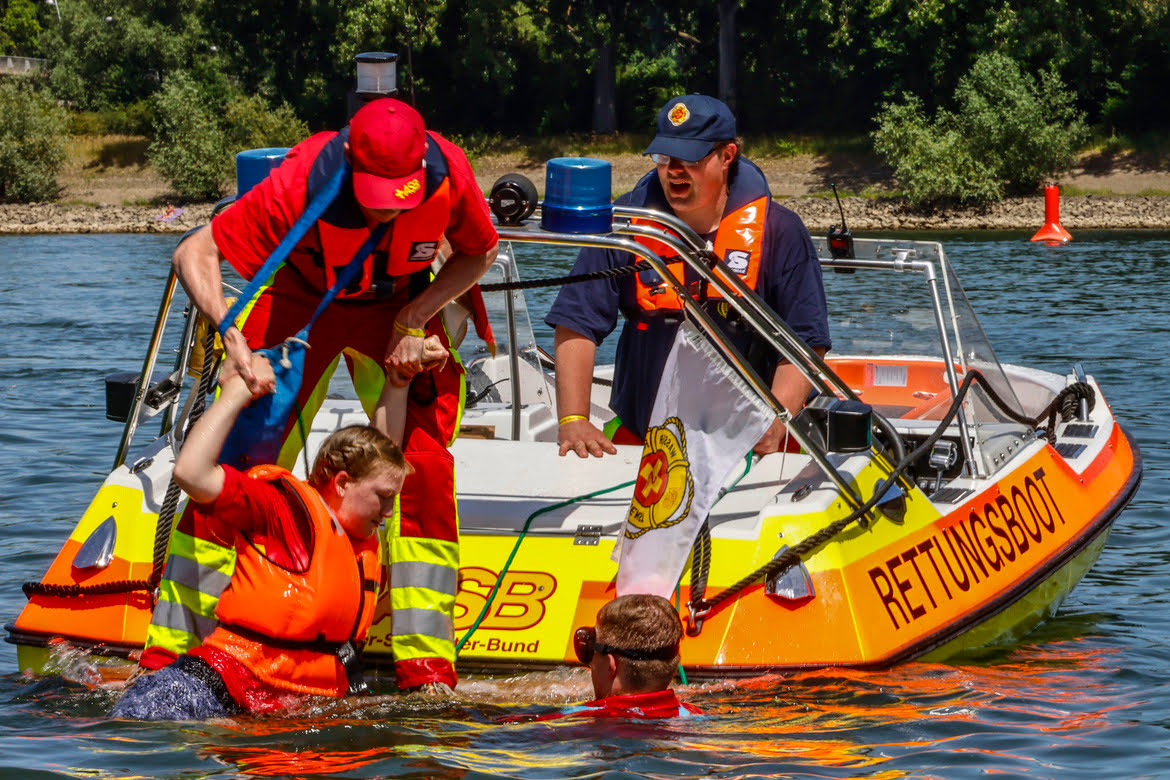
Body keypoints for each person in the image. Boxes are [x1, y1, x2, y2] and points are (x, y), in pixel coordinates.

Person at [146, 96, 499, 694]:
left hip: (399, 304)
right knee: (240, 466)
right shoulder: (298, 182)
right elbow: (194, 251)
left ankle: (428, 673)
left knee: (426, 471)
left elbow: (480, 250)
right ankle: (173, 652)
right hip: (300, 304)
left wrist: (416, 317)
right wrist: (232, 338)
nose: (387, 214)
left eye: (399, 201)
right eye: (374, 199)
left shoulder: (450, 170)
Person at [112, 353, 411, 718]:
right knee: (146, 720)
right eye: (383, 498)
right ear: (343, 483)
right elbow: (191, 473)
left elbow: (386, 453)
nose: (389, 511)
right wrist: (235, 393)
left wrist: (397, 384)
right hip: (217, 687)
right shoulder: (280, 510)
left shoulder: (358, 539)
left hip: (292, 702)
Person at [546, 94, 830, 458]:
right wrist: (573, 419)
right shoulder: (626, 224)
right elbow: (576, 321)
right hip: (645, 434)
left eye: (689, 158)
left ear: (727, 156)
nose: (673, 169)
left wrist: (777, 422)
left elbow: (805, 340)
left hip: (748, 441)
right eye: (664, 158)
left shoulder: (782, 231)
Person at [506, 594, 699, 720]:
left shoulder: (569, 720)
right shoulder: (695, 715)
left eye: (591, 651)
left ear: (610, 665)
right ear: (674, 665)